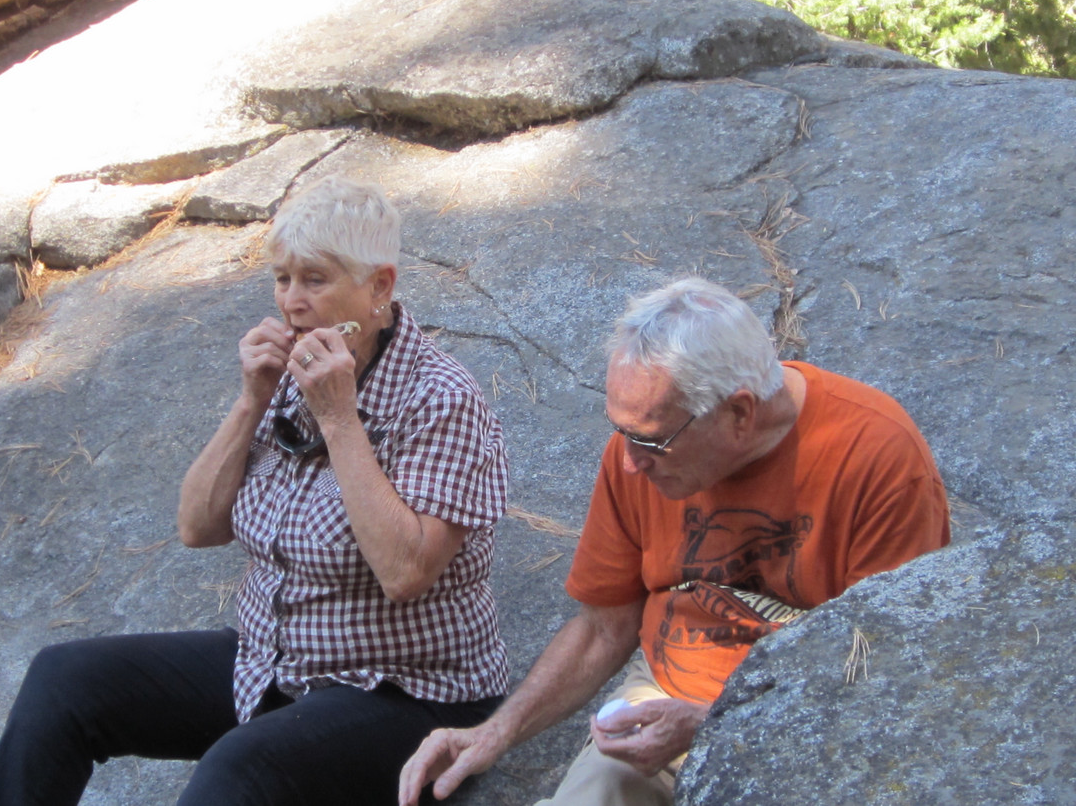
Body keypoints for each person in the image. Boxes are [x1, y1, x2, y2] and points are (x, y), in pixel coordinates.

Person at [0, 175, 510, 806]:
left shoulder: (441, 400)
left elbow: (406, 572)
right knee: (65, 681)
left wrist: (339, 419)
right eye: (282, 279)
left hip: (412, 690)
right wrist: (252, 400)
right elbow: (198, 527)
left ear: (379, 287)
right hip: (276, 661)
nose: (292, 302)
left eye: (315, 280)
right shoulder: (297, 375)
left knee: (238, 767)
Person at [400, 275, 950, 806]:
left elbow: (886, 674)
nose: (629, 462)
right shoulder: (638, 456)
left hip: (807, 720)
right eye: (621, 432)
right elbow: (602, 629)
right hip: (665, 695)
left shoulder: (878, 461)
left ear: (739, 413)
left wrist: (714, 721)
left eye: (651, 440)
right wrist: (494, 733)